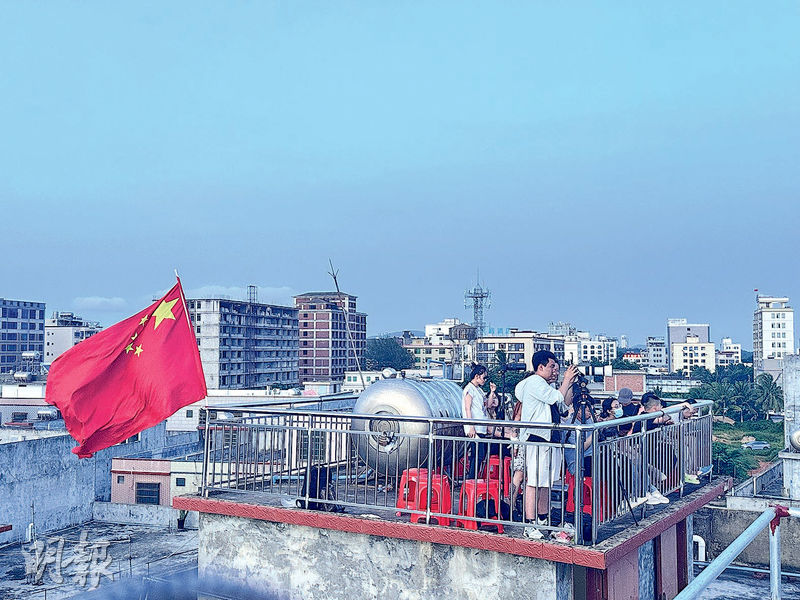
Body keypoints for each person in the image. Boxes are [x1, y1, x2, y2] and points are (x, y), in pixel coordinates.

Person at [515, 351, 579, 540]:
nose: (554, 371)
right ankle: (529, 523)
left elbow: (563, 405)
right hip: (537, 438)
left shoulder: (546, 386)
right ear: (540, 367)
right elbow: (555, 399)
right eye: (551, 367)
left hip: (550, 439)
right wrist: (566, 380)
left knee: (546, 482)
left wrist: (569, 385)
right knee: (534, 482)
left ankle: (542, 518)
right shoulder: (535, 382)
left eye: (557, 369)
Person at [462, 364, 496, 479]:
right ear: (477, 376)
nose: (485, 380)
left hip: (481, 427)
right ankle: (472, 479)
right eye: (484, 377)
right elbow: (467, 408)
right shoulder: (469, 389)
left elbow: (488, 405)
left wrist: (492, 392)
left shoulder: (479, 390)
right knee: (477, 455)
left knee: (479, 456)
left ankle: (473, 478)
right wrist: (471, 426)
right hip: (475, 428)